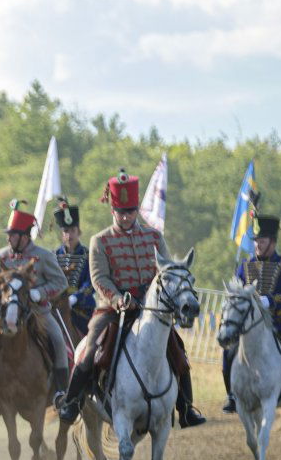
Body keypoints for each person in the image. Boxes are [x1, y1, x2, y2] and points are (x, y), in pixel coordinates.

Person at [58, 170, 206, 427]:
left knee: (178, 350)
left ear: (137, 210)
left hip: (151, 308)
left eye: (130, 211)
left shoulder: (154, 237)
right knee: (90, 350)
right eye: (120, 212)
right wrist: (118, 299)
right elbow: (99, 278)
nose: (125, 217)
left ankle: (186, 408)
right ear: (112, 210)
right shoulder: (100, 240)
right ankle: (71, 402)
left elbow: (165, 272)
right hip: (113, 310)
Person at [0, 200, 71, 398]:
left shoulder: (44, 256)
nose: (8, 239)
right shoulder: (2, 255)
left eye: (12, 235)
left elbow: (60, 282)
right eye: (9, 235)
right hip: (6, 314)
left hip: (38, 312)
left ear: (24, 236)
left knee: (58, 342)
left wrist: (39, 293)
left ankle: (61, 392)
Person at [222, 214, 281, 412]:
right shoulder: (244, 266)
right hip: (249, 323)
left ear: (272, 242)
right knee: (228, 351)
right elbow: (237, 291)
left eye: (261, 241)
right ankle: (232, 396)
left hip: (280, 320)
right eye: (256, 241)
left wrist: (270, 300)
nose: (257, 245)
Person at [53, 197, 95, 337]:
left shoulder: (88, 255)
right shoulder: (54, 256)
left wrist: (75, 298)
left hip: (82, 309)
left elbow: (90, 283)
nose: (69, 235)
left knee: (93, 338)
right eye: (66, 231)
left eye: (72, 230)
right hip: (57, 308)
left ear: (79, 232)